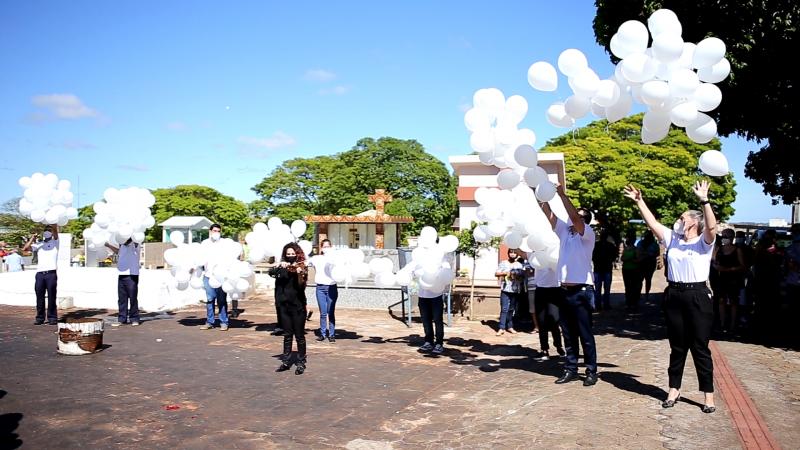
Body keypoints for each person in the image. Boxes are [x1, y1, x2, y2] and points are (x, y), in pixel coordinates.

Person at [624, 180, 718, 413]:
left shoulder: (704, 242)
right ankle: (674, 389)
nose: (679, 219)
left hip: (697, 295)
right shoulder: (672, 239)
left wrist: (704, 200)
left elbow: (712, 228)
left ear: (695, 222)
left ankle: (708, 396)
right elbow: (652, 222)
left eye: (683, 217)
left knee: (700, 347)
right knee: (677, 346)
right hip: (674, 294)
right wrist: (640, 201)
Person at [541, 184, 598, 386]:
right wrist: (540, 195)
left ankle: (591, 370)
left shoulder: (588, 234)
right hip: (564, 290)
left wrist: (562, 195)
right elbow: (550, 216)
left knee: (585, 333)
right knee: (568, 333)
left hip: (582, 290)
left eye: (580, 216)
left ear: (585, 221)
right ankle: (571, 368)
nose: (575, 218)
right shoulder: (565, 233)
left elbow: (573, 216)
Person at [269, 243, 309, 374]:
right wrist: (280, 265)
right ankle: (286, 361)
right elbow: (271, 272)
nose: (290, 256)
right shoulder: (282, 266)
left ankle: (301, 361)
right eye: (288, 254)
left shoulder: (302, 266)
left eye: (293, 254)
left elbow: (302, 284)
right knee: (287, 335)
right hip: (284, 305)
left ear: (297, 254)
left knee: (299, 335)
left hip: (297, 306)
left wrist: (299, 273)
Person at [199, 224, 234, 331]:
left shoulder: (224, 243)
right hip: (208, 275)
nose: (216, 233)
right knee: (210, 299)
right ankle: (209, 322)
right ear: (210, 231)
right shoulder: (205, 243)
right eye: (214, 230)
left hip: (221, 276)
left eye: (218, 231)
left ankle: (224, 322)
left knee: (221, 300)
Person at [529, 254, 564, 361]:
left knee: (554, 320)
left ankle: (559, 347)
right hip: (540, 289)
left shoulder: (556, 252)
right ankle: (544, 349)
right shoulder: (535, 253)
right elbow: (521, 251)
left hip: (555, 289)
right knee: (541, 321)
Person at [22, 225, 60, 325]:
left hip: (51, 273)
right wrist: (32, 238)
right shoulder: (39, 244)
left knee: (52, 296)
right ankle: (40, 318)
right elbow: (25, 249)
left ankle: (52, 318)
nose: (47, 232)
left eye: (49, 231)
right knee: (39, 296)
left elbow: (56, 232)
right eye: (45, 231)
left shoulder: (55, 242)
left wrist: (53, 226)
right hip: (40, 274)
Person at [713, 228, 746, 333]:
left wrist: (729, 269)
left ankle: (732, 325)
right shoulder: (719, 249)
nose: (724, 238)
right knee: (721, 301)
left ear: (732, 238)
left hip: (733, 280)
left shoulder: (737, 250)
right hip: (721, 279)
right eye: (723, 236)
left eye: (726, 236)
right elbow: (713, 261)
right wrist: (716, 267)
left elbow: (742, 266)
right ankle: (722, 324)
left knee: (733, 302)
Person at [106, 238, 142, 326]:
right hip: (121, 273)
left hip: (132, 273)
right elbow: (119, 252)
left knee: (133, 297)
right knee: (122, 298)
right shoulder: (122, 244)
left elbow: (130, 242)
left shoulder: (135, 242)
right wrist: (108, 245)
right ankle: (122, 318)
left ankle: (134, 318)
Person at [308, 239, 338, 342]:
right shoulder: (316, 258)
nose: (326, 248)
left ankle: (332, 334)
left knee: (331, 312)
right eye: (324, 246)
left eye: (328, 246)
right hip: (320, 288)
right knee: (323, 313)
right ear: (321, 248)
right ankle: (322, 333)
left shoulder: (335, 259)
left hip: (331, 287)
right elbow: (305, 262)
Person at [495, 248, 525, 336]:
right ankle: (501, 328)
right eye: (510, 252)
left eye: (514, 253)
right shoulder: (503, 263)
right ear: (508, 253)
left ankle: (510, 326)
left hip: (515, 290)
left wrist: (518, 275)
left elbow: (523, 276)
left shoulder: (519, 264)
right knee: (504, 308)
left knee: (512, 309)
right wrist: (506, 273)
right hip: (505, 289)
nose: (512, 254)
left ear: (517, 255)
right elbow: (496, 273)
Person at [417, 275, 448, 355]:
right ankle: (429, 341)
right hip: (422, 296)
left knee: (438, 320)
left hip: (436, 296)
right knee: (425, 320)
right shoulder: (419, 263)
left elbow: (446, 275)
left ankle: (439, 343)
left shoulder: (440, 263)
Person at [592, 230, 617, 310]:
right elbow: (614, 257)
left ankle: (599, 305)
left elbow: (592, 256)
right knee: (605, 289)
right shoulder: (610, 245)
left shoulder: (596, 245)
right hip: (605, 269)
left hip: (600, 269)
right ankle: (605, 304)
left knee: (598, 289)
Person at [637, 230, 661, 301]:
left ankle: (644, 294)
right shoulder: (652, 244)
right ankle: (644, 294)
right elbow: (657, 253)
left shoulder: (642, 243)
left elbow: (657, 254)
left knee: (645, 279)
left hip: (648, 263)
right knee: (644, 279)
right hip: (645, 263)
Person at [621, 232, 643, 311]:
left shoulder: (636, 249)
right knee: (627, 286)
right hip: (626, 270)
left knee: (634, 286)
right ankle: (628, 302)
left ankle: (634, 302)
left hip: (634, 270)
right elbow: (622, 258)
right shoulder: (625, 249)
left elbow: (639, 259)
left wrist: (631, 259)